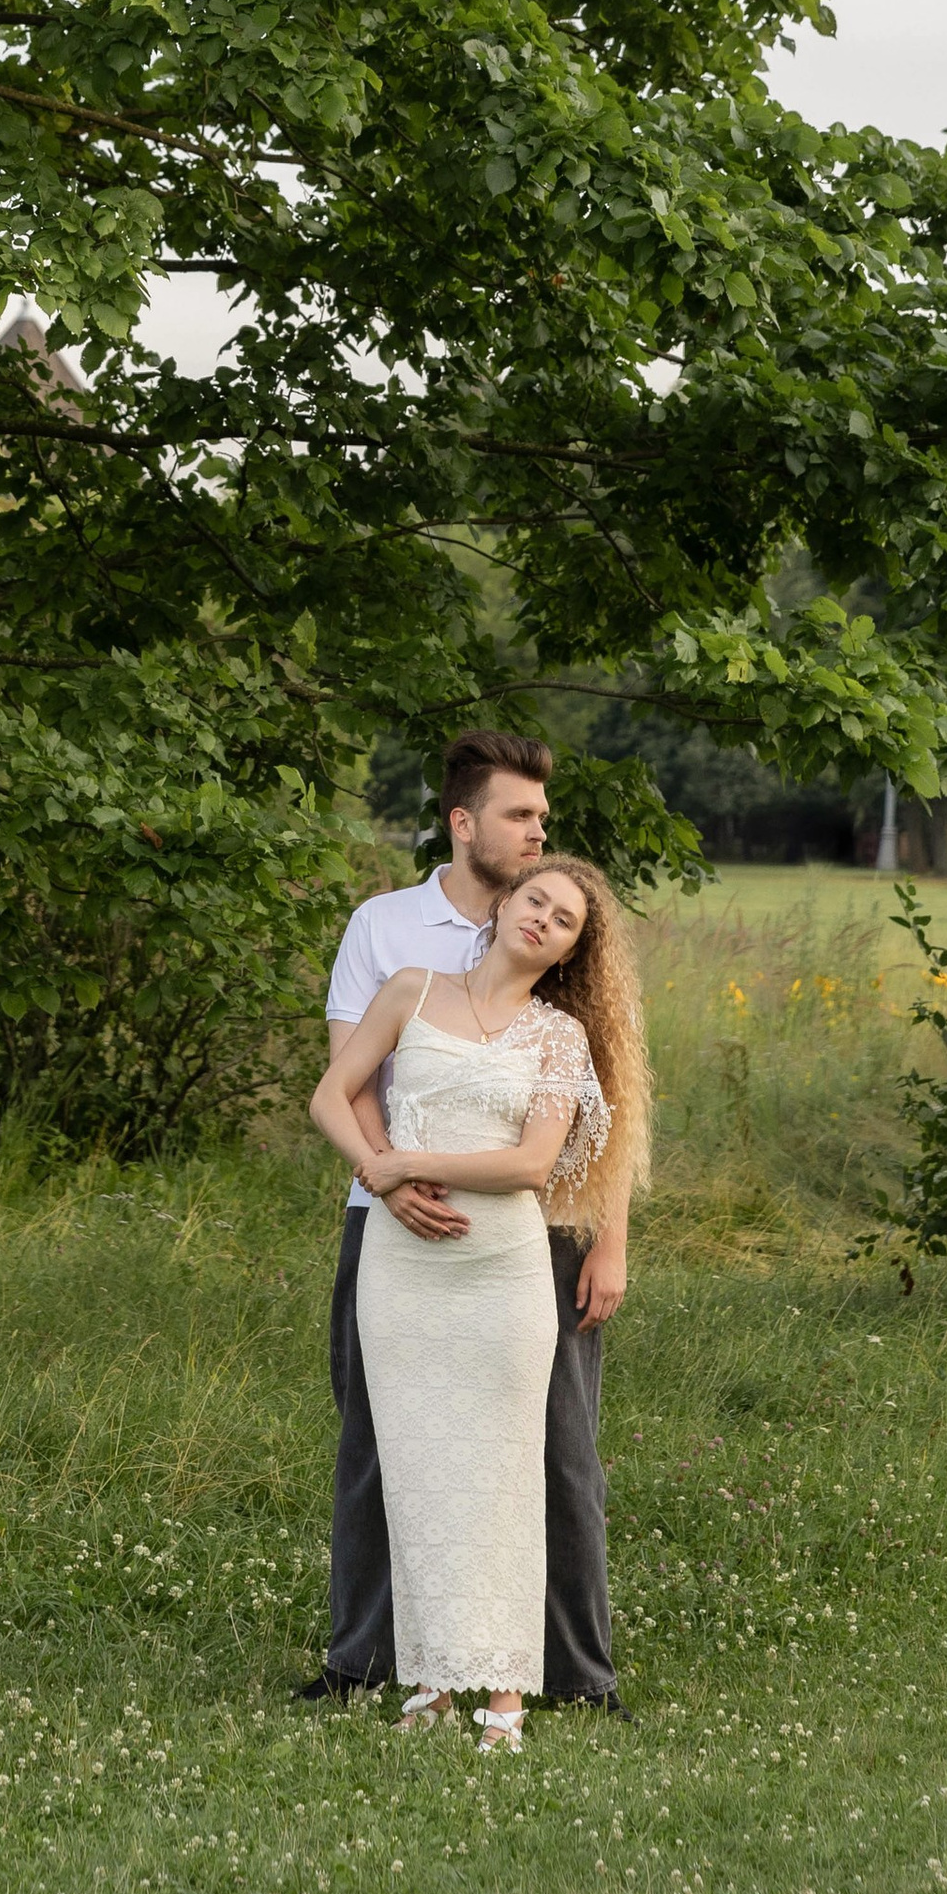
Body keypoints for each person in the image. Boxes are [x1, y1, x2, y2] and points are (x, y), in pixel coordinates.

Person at [303, 729, 650, 1710]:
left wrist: (611, 1240)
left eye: (543, 818)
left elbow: (607, 1114)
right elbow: (348, 1076)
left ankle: (572, 1674)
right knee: (383, 1443)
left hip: (534, 1233)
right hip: (391, 1221)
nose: (538, 834)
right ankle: (369, 1661)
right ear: (464, 823)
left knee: (558, 1452)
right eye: (519, 815)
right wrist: (388, 1180)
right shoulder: (385, 931)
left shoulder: (569, 970)